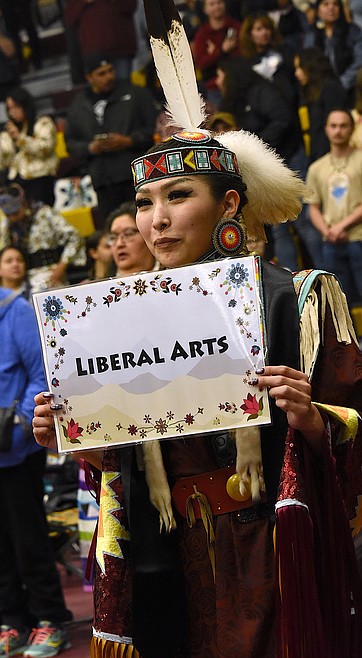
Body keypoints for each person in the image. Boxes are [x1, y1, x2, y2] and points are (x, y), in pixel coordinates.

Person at [32, 1, 362, 657]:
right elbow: (124, 463)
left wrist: (313, 418)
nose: (156, 220)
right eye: (145, 203)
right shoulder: (118, 319)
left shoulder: (300, 301)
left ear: (229, 204)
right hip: (174, 561)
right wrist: (80, 435)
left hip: (273, 549)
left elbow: (354, 424)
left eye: (178, 196)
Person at [0, 287, 72, 658]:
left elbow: (40, 374)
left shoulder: (14, 309)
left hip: (15, 449)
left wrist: (17, 422)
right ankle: (11, 620)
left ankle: (50, 618)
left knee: (28, 539)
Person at [64, 52, 157, 224]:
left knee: (145, 223)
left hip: (135, 176)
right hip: (102, 180)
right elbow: (70, 144)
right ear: (89, 77)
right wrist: (90, 148)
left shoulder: (136, 93)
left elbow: (155, 128)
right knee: (113, 227)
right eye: (101, 73)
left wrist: (129, 141)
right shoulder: (78, 105)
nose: (109, 76)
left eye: (110, 70)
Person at [307, 108, 362, 306]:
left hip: (358, 238)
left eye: (343, 125)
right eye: (334, 126)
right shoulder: (316, 168)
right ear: (326, 129)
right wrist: (327, 231)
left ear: (352, 128)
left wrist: (341, 226)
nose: (338, 130)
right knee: (340, 305)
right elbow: (313, 206)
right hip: (330, 242)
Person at [0, 183, 86, 294]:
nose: (12, 218)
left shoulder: (45, 214)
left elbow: (75, 237)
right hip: (23, 280)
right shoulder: (7, 225)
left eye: (15, 213)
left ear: (23, 204)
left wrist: (62, 266)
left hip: (50, 273)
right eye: (8, 215)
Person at [0, 87, 58, 206]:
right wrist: (8, 139)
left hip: (40, 178)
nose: (13, 112)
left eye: (16, 107)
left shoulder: (43, 122)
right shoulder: (7, 131)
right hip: (16, 181)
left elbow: (45, 148)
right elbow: (3, 161)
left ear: (25, 105)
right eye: (9, 108)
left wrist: (20, 139)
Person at [294, 47, 349, 163]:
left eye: (300, 67)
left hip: (331, 155)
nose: (297, 73)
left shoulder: (331, 88)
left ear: (310, 66)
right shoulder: (306, 92)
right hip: (313, 155)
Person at [63, 0, 137, 81]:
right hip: (94, 53)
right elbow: (69, 18)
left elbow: (131, 6)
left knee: (124, 88)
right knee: (100, 90)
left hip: (121, 49)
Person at [303, 0, 362, 98]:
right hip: (320, 91)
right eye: (325, 4)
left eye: (335, 4)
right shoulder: (311, 36)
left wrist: (342, 84)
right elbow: (307, 64)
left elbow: (359, 61)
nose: (331, 8)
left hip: (350, 89)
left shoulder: (353, 32)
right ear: (318, 10)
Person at [192, 0, 241, 105]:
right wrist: (222, 51)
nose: (217, 7)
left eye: (219, 2)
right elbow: (201, 63)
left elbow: (242, 54)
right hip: (214, 86)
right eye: (212, 4)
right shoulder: (202, 34)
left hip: (237, 81)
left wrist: (213, 53)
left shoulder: (236, 27)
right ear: (205, 9)